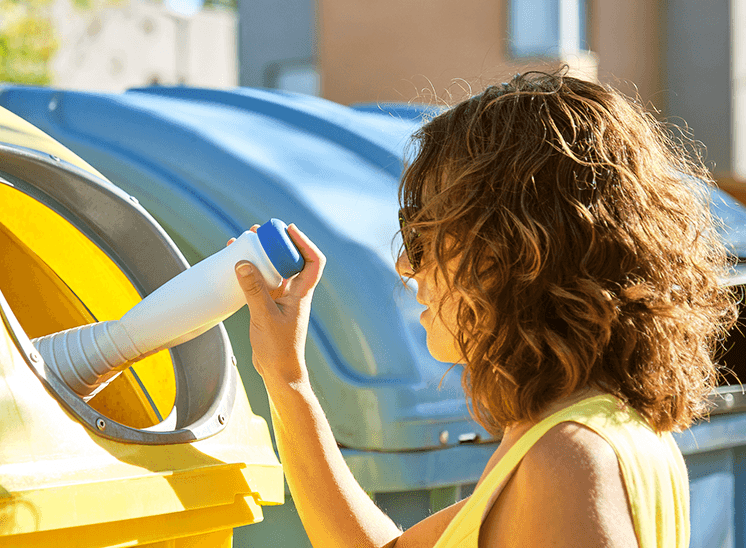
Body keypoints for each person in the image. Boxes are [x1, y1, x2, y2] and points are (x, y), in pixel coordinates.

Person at [228, 70, 737, 548]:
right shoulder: (577, 436)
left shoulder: (569, 459)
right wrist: (285, 375)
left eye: (423, 234)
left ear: (511, 251)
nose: (406, 264)